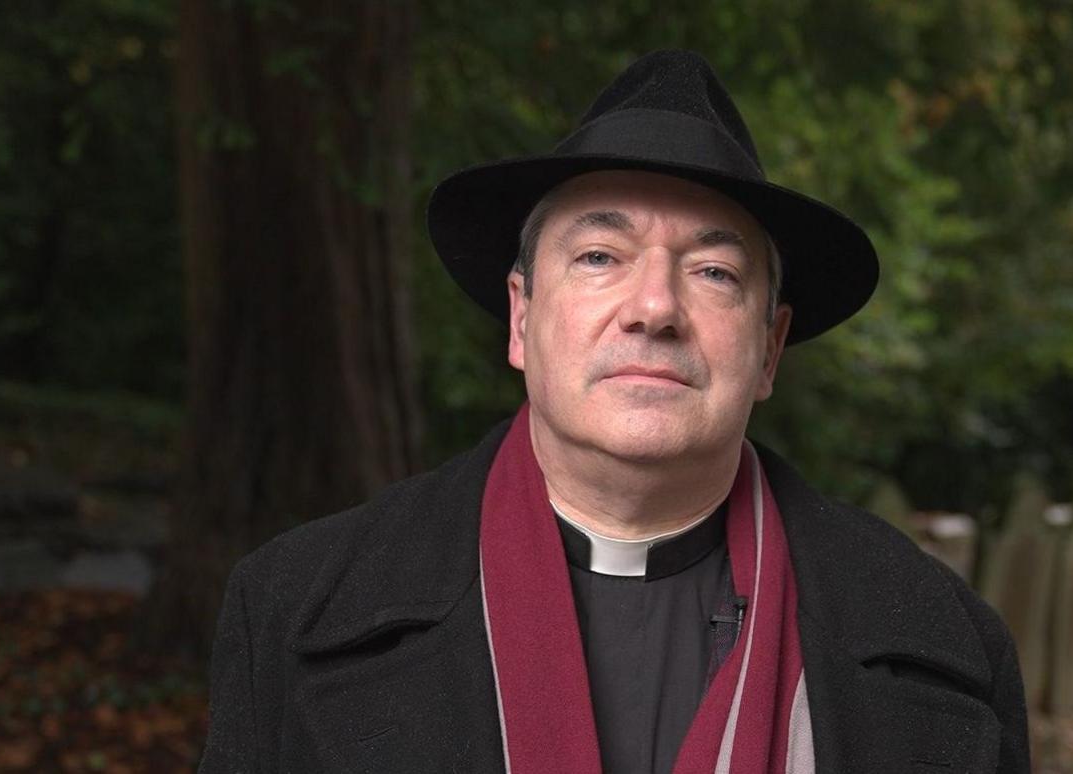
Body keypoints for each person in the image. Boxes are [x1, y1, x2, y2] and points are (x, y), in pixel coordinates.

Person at [199, 50, 1030, 774]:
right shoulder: (289, 612)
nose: (654, 307)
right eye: (601, 256)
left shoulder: (948, 650)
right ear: (522, 319)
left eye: (713, 273)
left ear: (770, 349)